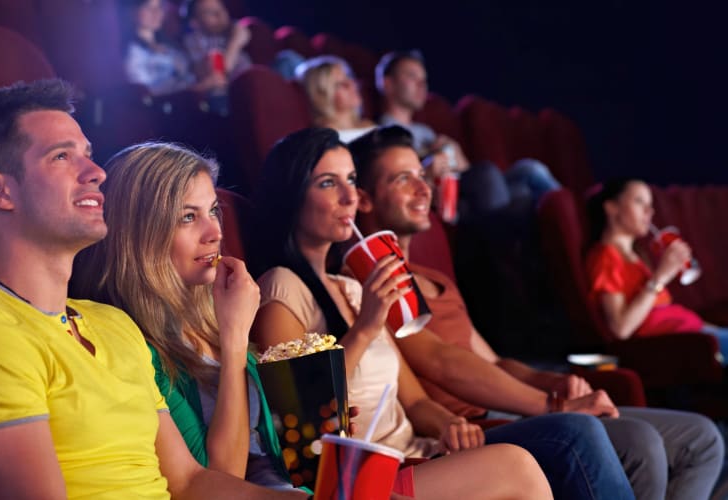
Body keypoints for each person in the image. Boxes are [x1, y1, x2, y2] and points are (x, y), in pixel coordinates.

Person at [247, 127, 631, 499]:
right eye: (329, 183)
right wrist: (365, 328)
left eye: (351, 179)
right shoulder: (280, 288)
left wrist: (449, 424)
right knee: (519, 464)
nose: (350, 196)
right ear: (293, 196)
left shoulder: (350, 288)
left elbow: (414, 403)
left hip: (417, 451)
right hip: (360, 475)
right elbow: (303, 424)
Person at [349, 126, 726, 500]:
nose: (423, 188)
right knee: (637, 440)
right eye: (402, 179)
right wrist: (554, 405)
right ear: (363, 199)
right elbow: (441, 361)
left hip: (509, 405)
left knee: (702, 438)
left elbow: (494, 362)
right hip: (473, 425)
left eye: (420, 174)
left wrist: (552, 382)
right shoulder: (369, 285)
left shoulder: (434, 277)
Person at [0, 79, 309, 499]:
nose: (96, 173)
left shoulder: (113, 324)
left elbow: (190, 482)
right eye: (61, 156)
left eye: (89, 155)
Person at [71, 142, 307, 491]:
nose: (215, 233)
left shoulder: (211, 314)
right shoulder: (132, 344)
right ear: (141, 235)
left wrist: (320, 429)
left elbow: (265, 448)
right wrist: (235, 339)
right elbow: (220, 478)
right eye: (188, 217)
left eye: (213, 211)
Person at [375, 50, 560, 215]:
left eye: (424, 79)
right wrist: (429, 164)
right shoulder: (383, 131)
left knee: (529, 171)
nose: (421, 84)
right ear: (387, 83)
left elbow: (465, 170)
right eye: (412, 76)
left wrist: (453, 150)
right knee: (491, 177)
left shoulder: (425, 131)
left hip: (470, 187)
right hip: (450, 196)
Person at [586, 178, 728, 365]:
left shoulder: (635, 257)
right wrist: (661, 276)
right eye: (639, 201)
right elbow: (621, 328)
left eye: (650, 205)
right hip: (684, 345)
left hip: (701, 335)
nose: (649, 211)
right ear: (612, 207)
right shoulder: (606, 257)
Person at [122, 0, 228, 97]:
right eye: (148, 7)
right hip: (172, 110)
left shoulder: (170, 46)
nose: (156, 12)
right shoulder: (133, 54)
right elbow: (146, 93)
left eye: (159, 7)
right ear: (133, 12)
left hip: (197, 99)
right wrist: (199, 88)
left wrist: (204, 70)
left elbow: (188, 75)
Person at [295, 56, 375, 142]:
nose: (352, 85)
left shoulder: (368, 125)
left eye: (349, 78)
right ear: (322, 95)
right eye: (341, 84)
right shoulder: (327, 136)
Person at [180, 0, 252, 82]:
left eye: (222, 8)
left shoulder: (233, 30)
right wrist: (235, 42)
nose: (220, 14)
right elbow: (219, 73)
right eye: (210, 12)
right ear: (195, 22)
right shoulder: (192, 41)